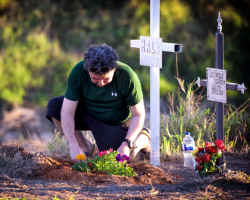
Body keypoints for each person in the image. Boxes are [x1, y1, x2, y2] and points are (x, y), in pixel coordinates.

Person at [46, 44, 150, 162]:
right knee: (55, 106)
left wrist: (127, 143)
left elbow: (138, 114)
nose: (100, 83)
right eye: (95, 78)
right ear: (87, 69)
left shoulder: (127, 76)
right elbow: (67, 112)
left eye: (106, 79)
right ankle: (86, 147)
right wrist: (73, 145)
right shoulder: (78, 72)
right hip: (87, 112)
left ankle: (143, 138)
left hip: (116, 121)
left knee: (120, 158)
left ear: (114, 69)